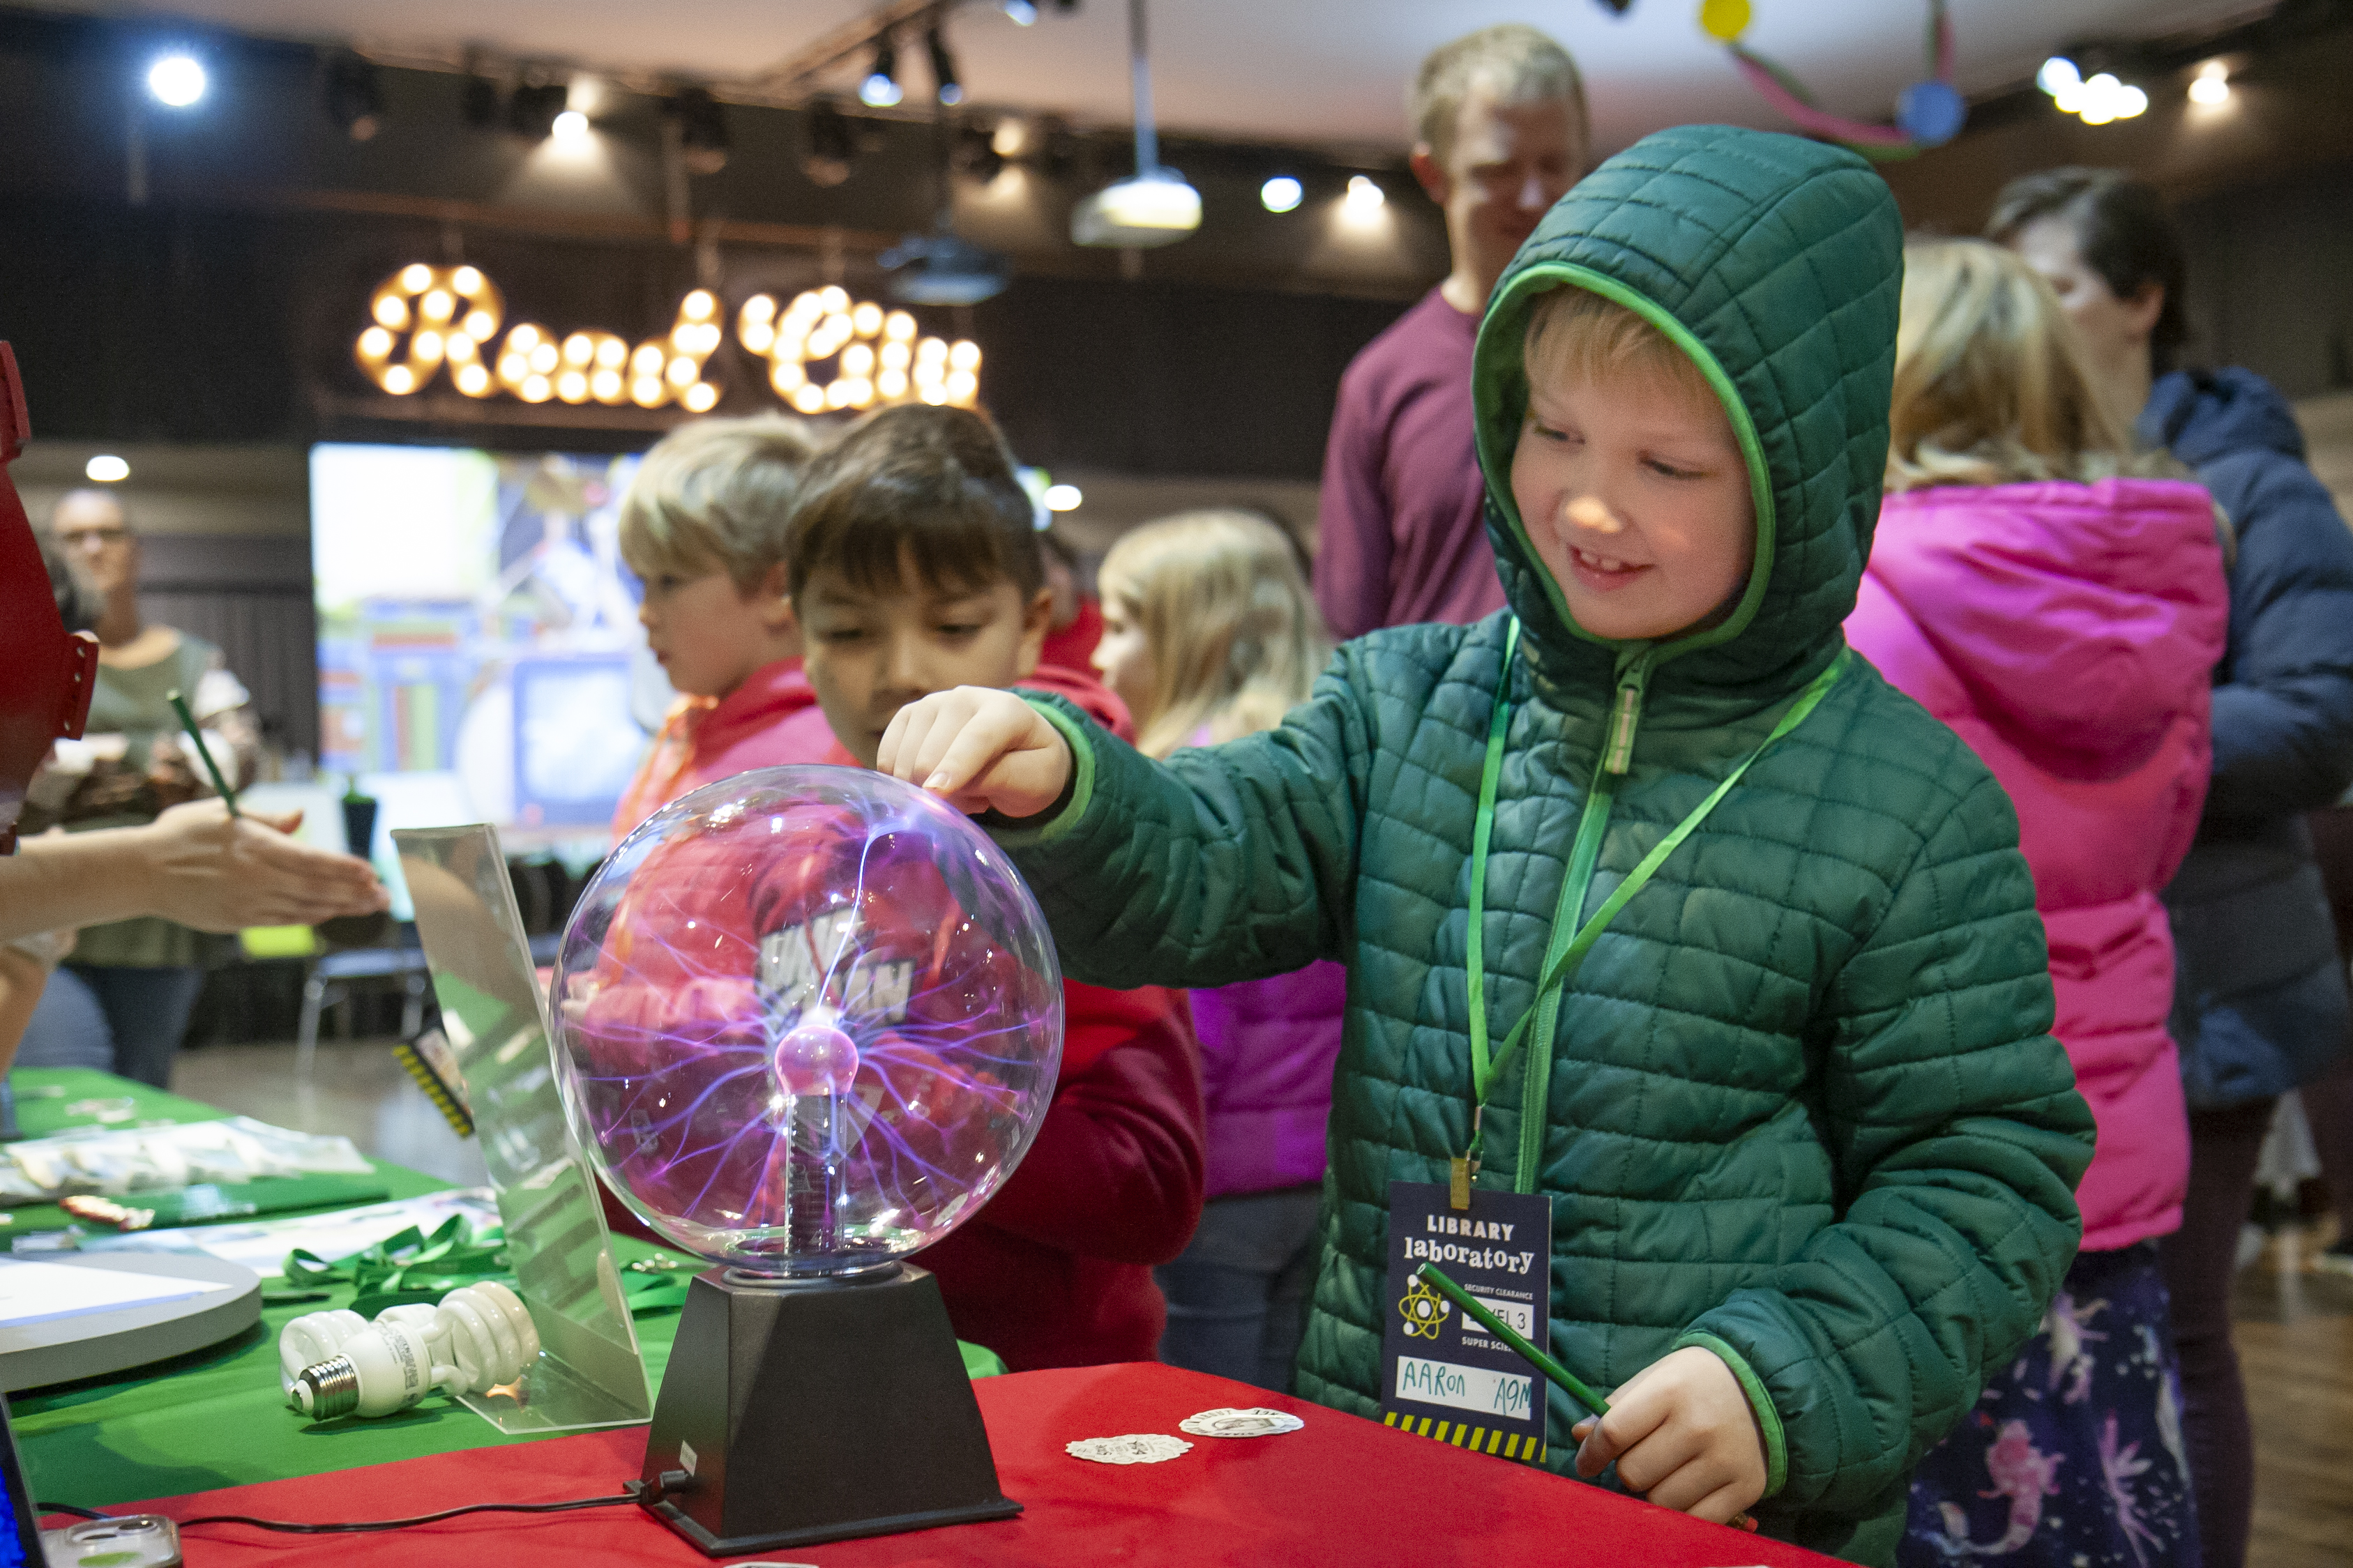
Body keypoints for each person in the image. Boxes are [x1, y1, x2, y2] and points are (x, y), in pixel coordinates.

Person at [880, 126, 2096, 1565]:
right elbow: (1217, 853)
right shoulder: (1404, 703)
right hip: (1391, 1459)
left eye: (1667, 463)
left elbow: (1982, 1164)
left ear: (1796, 475)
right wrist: (1072, 782)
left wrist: (1785, 1378)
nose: (1587, 500)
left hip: (1695, 1497)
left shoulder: (1905, 799)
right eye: (1553, 431)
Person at [593, 402, 1204, 1371]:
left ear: (1031, 620)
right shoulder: (793, 838)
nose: (903, 672)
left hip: (1040, 1392)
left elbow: (1150, 1187)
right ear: (797, 627)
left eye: (954, 625)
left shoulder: (1071, 851)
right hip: (827, 1359)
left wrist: (900, 1090)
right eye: (847, 630)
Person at [1845, 239, 2226, 1568]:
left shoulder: (1860, 586)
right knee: (2114, 1481)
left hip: (1932, 1132)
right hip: (2113, 1109)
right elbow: (2163, 835)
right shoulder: (2161, 581)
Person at [1994, 167, 2353, 1568]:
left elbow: (2323, 716)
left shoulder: (2251, 481)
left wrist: (2106, 726)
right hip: (2057, 988)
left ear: (2141, 301)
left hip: (2215, 984)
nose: (2031, 320)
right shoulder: (2014, 483)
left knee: (2181, 1327)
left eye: (2061, 287)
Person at [1091, 509, 1346, 1390]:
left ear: (1193, 637)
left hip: (1217, 1183)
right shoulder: (1321, 770)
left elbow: (1195, 1019)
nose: (1098, 653)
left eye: (1123, 625)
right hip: (1319, 1176)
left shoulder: (1188, 792)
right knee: (1284, 1417)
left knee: (1202, 1423)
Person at [1313, 22, 1588, 641]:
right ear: (1432, 173)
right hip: (1434, 729)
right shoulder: (1382, 380)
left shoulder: (1631, 357)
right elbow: (1347, 621)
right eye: (1500, 168)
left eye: (1556, 164)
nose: (1536, 195)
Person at [17, 489, 262, 1086]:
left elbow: (241, 757)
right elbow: (24, 772)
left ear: (138, 549)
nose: (94, 548)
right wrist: (141, 757)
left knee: (142, 1083)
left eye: (109, 532)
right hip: (43, 900)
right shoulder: (32, 659)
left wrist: (93, 763)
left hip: (158, 914)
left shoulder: (193, 661)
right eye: (75, 536)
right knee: (56, 1081)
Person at [609, 415, 823, 840]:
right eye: (643, 584)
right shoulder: (693, 730)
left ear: (779, 590)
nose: (645, 613)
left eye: (669, 581)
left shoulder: (815, 768)